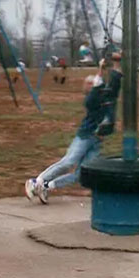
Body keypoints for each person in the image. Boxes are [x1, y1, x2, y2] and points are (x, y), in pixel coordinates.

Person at [26, 53, 123, 203]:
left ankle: (47, 186)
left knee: (82, 174)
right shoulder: (91, 100)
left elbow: (116, 78)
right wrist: (100, 69)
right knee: (69, 162)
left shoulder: (109, 96)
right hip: (86, 136)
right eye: (89, 84)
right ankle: (36, 181)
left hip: (97, 140)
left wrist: (117, 62)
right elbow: (98, 83)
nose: (94, 84)